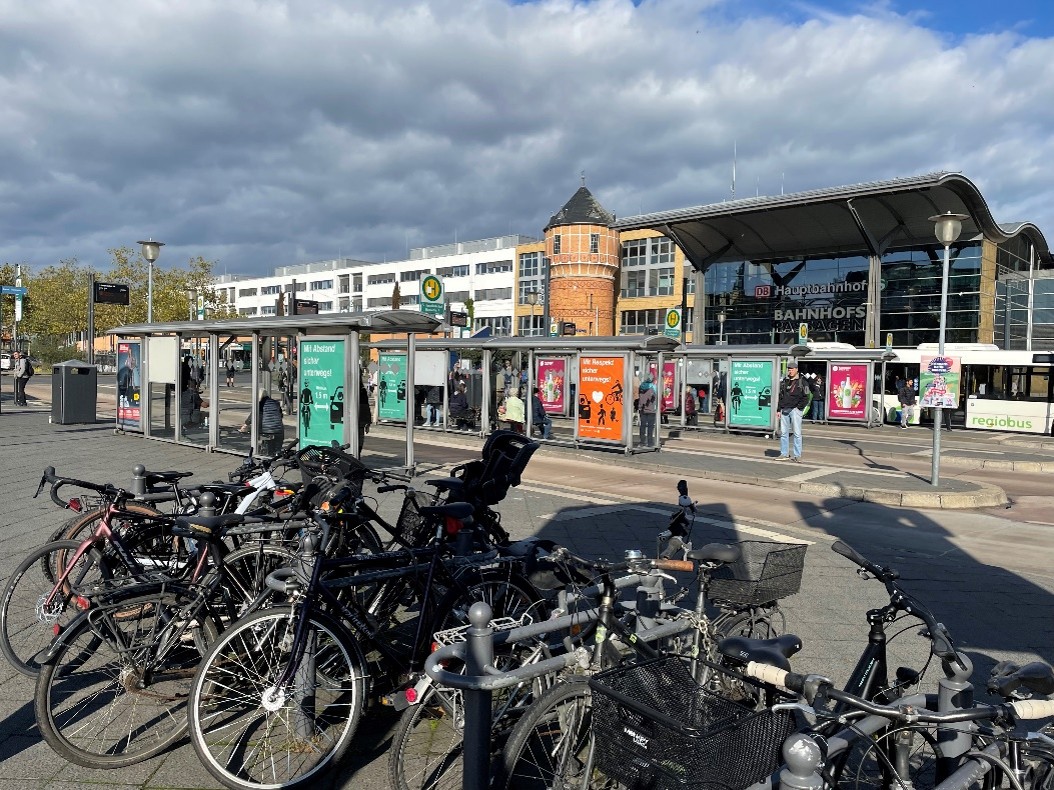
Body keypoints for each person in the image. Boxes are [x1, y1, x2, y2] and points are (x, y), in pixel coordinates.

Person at [775, 359, 814, 462]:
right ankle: (784, 453)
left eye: (792, 369)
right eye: (789, 369)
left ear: (796, 370)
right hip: (784, 409)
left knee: (797, 433)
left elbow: (806, 396)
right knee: (784, 433)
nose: (790, 371)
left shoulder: (802, 382)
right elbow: (781, 396)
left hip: (795, 410)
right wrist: (778, 409)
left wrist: (799, 408)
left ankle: (797, 455)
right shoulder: (784, 381)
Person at [240, 391, 285, 456]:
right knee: (277, 446)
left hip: (267, 430)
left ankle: (268, 454)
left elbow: (253, 416)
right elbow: (280, 415)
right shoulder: (276, 402)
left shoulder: (259, 404)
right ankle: (277, 455)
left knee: (268, 444)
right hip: (279, 429)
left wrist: (246, 424)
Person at [637, 376, 657, 447]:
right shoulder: (653, 388)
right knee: (650, 427)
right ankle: (650, 442)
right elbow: (656, 398)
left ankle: (642, 442)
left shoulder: (641, 387)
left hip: (642, 409)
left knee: (642, 426)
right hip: (651, 410)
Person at [357, 381, 372, 456]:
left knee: (359, 440)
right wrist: (368, 422)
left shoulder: (362, 391)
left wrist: (368, 421)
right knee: (359, 440)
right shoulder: (362, 391)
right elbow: (366, 407)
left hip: (359, 420)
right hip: (361, 420)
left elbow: (365, 406)